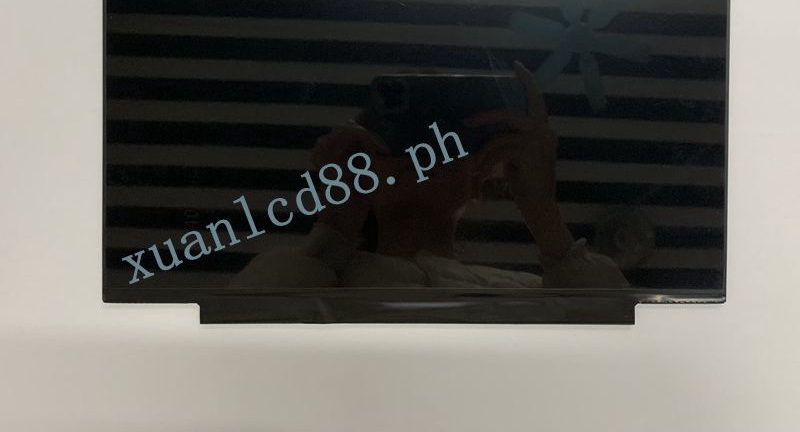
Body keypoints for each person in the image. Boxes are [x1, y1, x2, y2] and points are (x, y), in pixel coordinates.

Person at [229, 62, 627, 290]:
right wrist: (336, 223)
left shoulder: (528, 291)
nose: (420, 149)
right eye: (398, 132)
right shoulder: (307, 275)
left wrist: (544, 214)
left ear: (482, 169)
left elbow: (616, 352)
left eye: (443, 134)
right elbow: (246, 352)